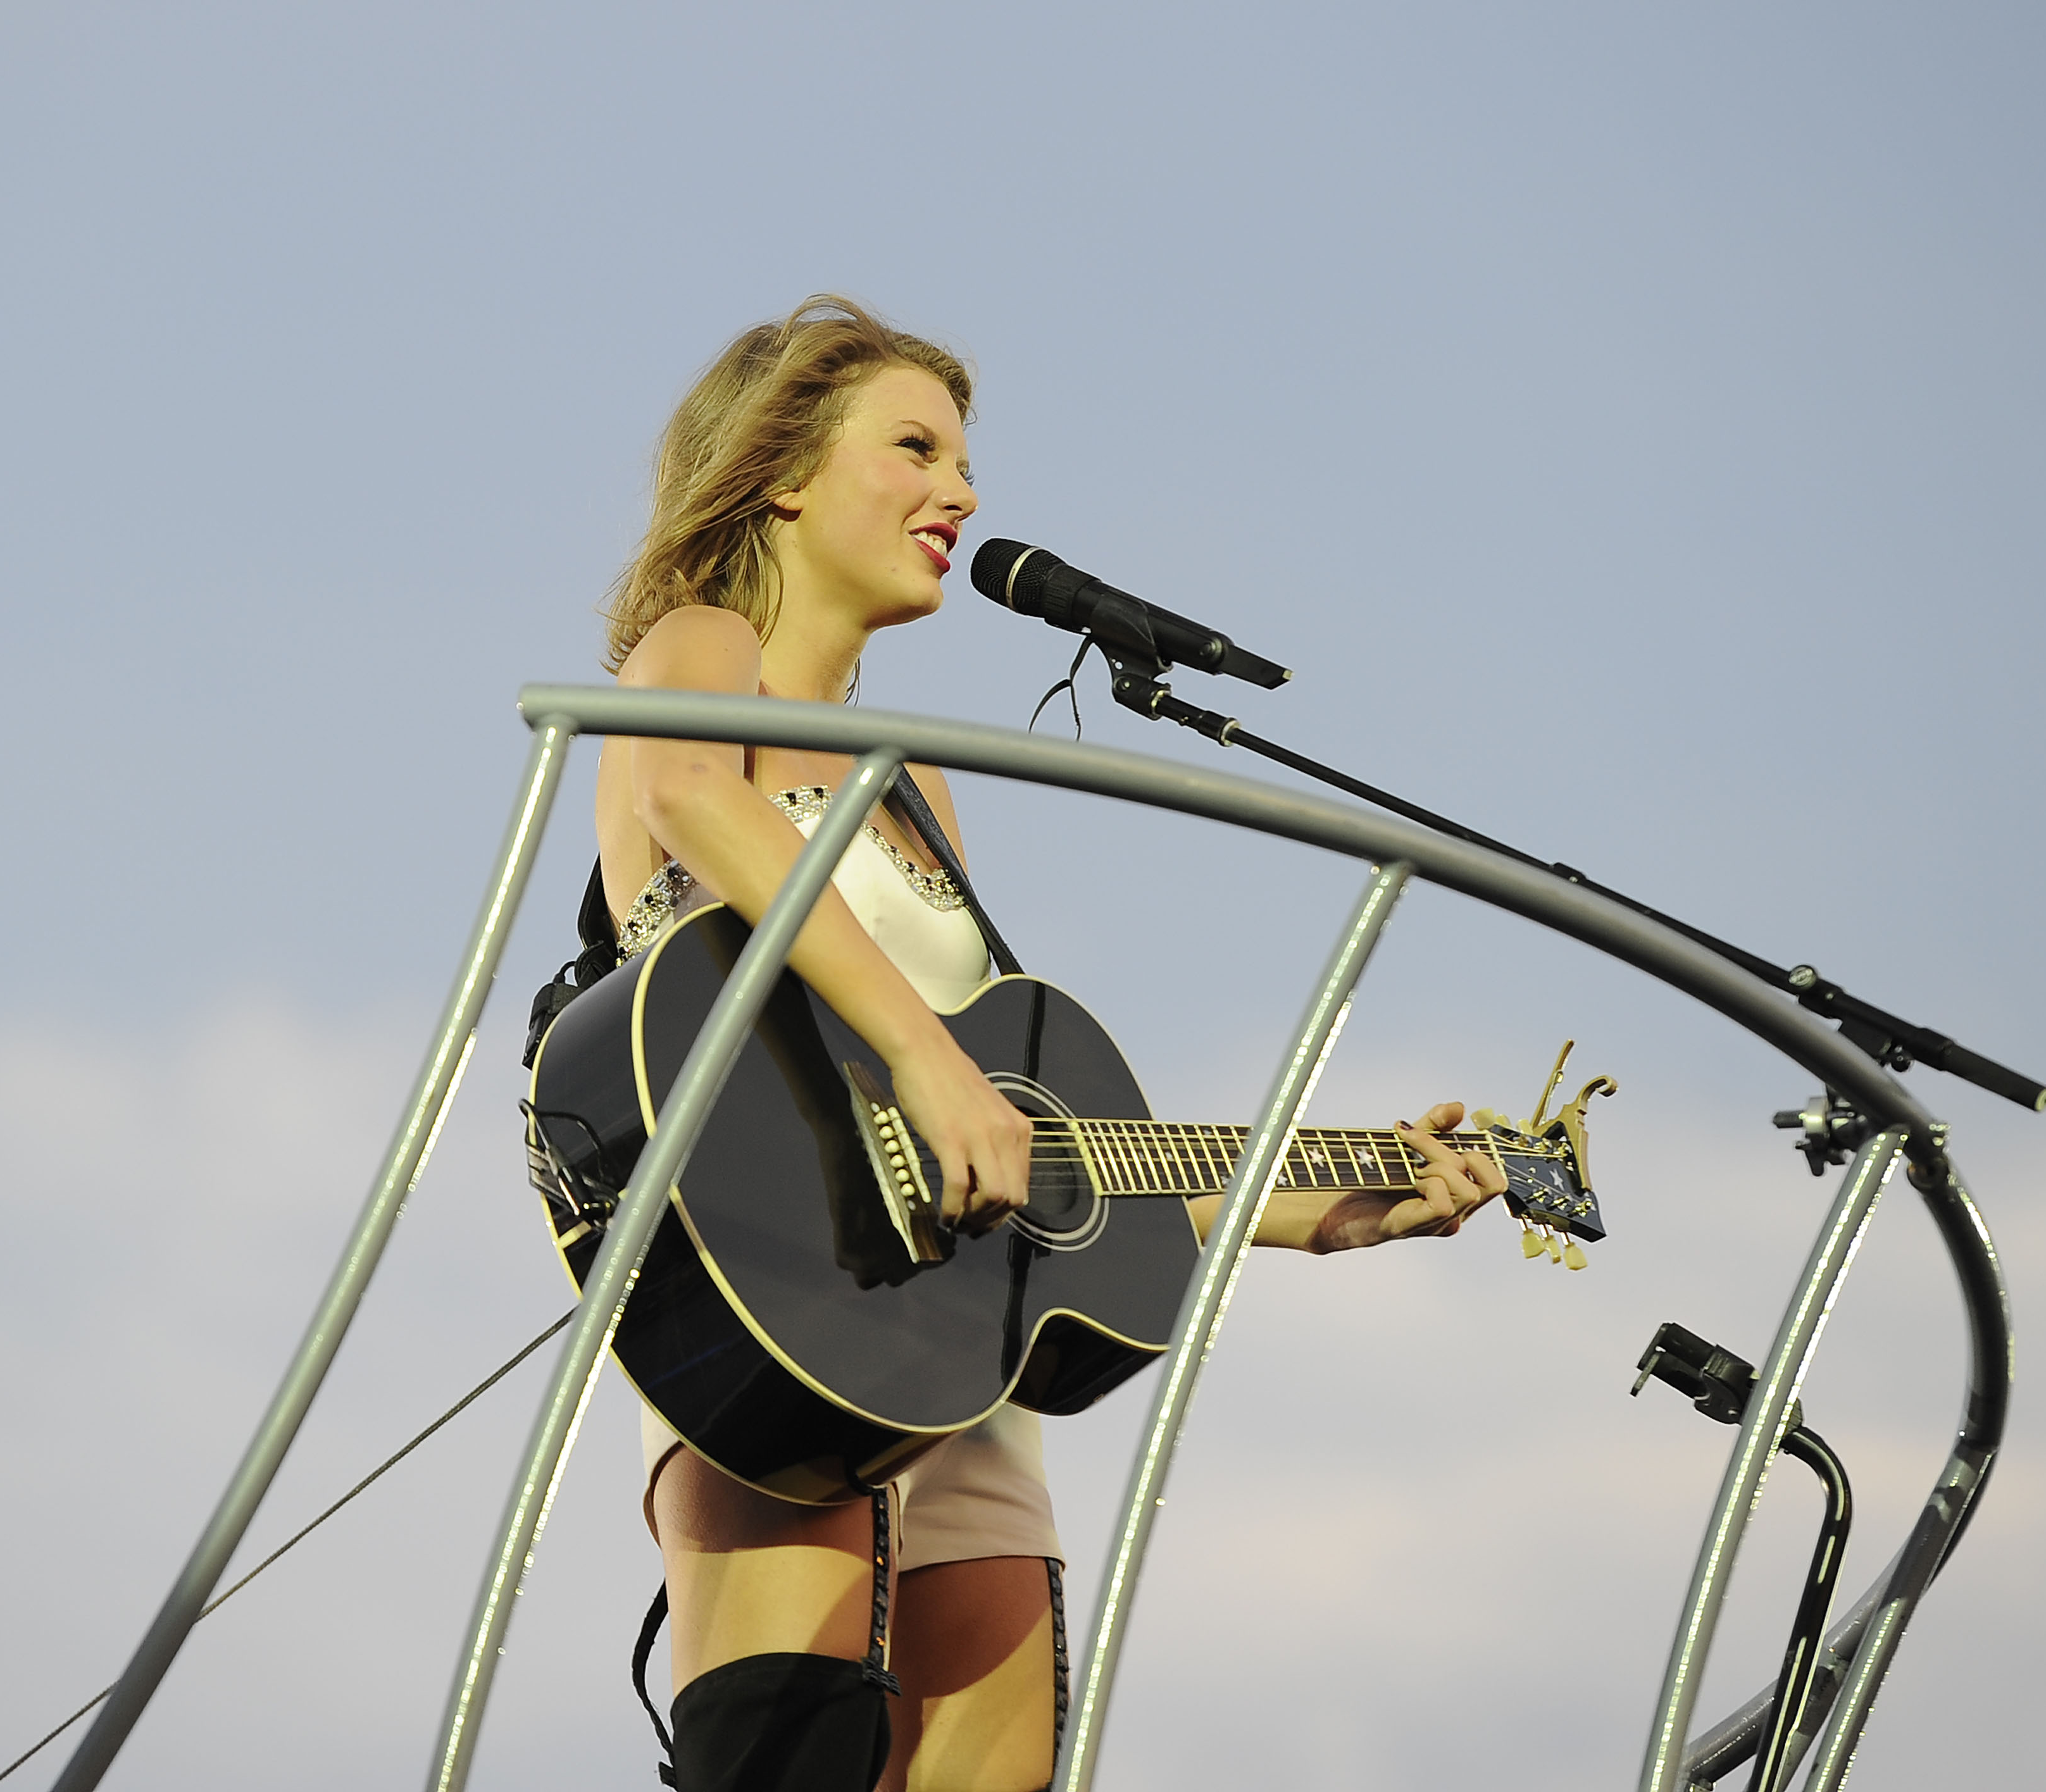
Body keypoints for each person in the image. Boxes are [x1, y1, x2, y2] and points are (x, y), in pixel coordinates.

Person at [588, 297, 1509, 1792]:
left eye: (964, 460)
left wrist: (1314, 1211)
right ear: (783, 472)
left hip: (964, 1343)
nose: (960, 492)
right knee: (787, 1758)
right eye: (916, 448)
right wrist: (925, 1057)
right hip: (778, 1297)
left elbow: (1020, 1150)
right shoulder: (698, 651)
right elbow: (694, 799)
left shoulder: (917, 793)